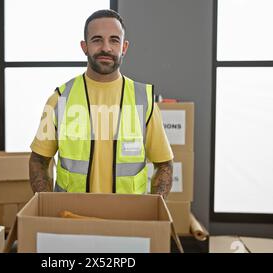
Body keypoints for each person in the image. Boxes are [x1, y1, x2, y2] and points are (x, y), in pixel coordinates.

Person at [29, 9, 174, 198]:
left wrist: (154, 208)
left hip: (128, 220)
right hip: (71, 218)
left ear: (124, 47)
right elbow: (38, 161)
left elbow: (164, 165)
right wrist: (47, 206)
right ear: (84, 47)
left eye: (114, 40)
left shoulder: (144, 101)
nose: (106, 48)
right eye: (97, 40)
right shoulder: (59, 99)